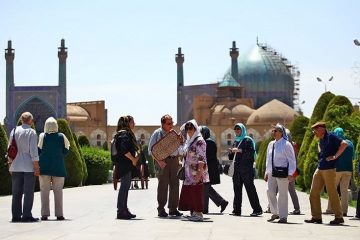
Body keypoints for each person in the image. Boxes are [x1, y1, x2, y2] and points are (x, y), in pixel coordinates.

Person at [304, 121, 348, 225]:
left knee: (332, 192)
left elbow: (344, 144)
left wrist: (335, 156)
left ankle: (339, 217)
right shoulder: (321, 139)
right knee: (313, 193)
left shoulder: (331, 136)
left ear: (322, 129)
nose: (314, 132)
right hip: (320, 168)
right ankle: (316, 217)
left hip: (329, 169)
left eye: (315, 130)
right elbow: (321, 152)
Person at [148, 114, 183, 217]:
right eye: (168, 123)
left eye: (172, 123)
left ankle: (173, 208)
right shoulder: (157, 133)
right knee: (163, 185)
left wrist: (180, 142)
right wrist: (159, 161)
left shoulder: (173, 134)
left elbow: (179, 148)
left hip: (174, 161)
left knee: (175, 185)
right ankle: (161, 209)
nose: (171, 125)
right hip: (162, 162)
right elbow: (151, 150)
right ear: (162, 124)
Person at [8, 112, 40, 222]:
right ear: (31, 121)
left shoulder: (14, 131)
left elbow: (10, 149)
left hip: (16, 165)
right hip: (28, 166)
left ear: (21, 120)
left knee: (16, 192)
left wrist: (10, 165)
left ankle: (16, 216)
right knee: (28, 192)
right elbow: (33, 151)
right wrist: (36, 167)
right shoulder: (31, 132)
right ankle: (26, 215)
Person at [38, 117, 70, 221]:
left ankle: (44, 214)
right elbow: (66, 150)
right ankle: (59, 214)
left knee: (44, 192)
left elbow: (39, 151)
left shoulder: (42, 136)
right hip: (58, 168)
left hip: (44, 168)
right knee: (58, 192)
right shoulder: (62, 136)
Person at [265, 123, 296, 223]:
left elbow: (292, 160)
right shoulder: (271, 144)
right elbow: (268, 159)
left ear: (281, 133)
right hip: (272, 172)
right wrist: (267, 171)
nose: (274, 132)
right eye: (273, 131)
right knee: (269, 191)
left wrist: (291, 173)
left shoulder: (286, 144)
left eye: (276, 131)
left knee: (283, 194)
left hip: (283, 172)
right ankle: (275, 212)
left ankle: (283, 216)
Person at [178, 120, 209, 221]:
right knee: (191, 192)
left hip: (196, 171)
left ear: (195, 128)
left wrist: (199, 172)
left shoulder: (199, 141)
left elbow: (202, 157)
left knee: (197, 192)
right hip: (189, 172)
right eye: (187, 129)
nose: (189, 131)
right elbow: (183, 151)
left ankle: (199, 214)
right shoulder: (190, 140)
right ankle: (194, 213)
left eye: (191, 128)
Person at [229, 123, 263, 217]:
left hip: (246, 170)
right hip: (237, 170)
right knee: (237, 190)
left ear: (242, 130)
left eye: (238, 129)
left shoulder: (247, 140)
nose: (237, 131)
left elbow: (251, 153)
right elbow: (231, 157)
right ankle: (236, 210)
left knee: (250, 190)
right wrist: (231, 152)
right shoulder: (236, 141)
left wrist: (240, 150)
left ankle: (257, 210)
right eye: (235, 129)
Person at [324, 127, 354, 216]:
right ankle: (344, 211)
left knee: (332, 189)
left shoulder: (336, 143)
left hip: (337, 169)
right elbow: (353, 157)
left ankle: (330, 209)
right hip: (348, 170)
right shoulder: (350, 143)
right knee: (344, 190)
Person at [199, 125, 228, 214]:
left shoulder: (209, 142)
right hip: (207, 168)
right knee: (207, 188)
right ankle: (222, 202)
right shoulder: (206, 141)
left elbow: (207, 156)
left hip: (209, 169)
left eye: (201, 133)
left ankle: (204, 209)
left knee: (205, 188)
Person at [115, 115, 139, 219]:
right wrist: (133, 159)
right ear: (127, 123)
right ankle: (121, 211)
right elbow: (124, 150)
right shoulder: (124, 134)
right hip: (125, 165)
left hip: (126, 165)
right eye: (132, 121)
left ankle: (124, 209)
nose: (134, 123)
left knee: (125, 188)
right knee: (124, 188)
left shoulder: (124, 133)